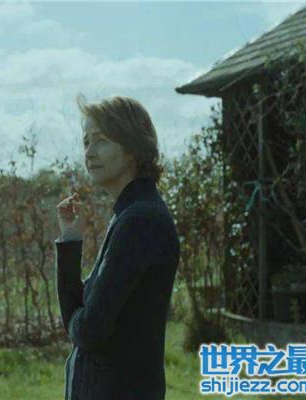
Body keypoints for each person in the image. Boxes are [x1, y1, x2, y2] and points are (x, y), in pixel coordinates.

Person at [55, 94, 180, 400]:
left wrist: (79, 322)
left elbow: (90, 330)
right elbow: (85, 316)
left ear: (132, 148)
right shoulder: (130, 215)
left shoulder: (140, 220)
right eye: (86, 141)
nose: (89, 152)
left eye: (101, 140)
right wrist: (71, 239)